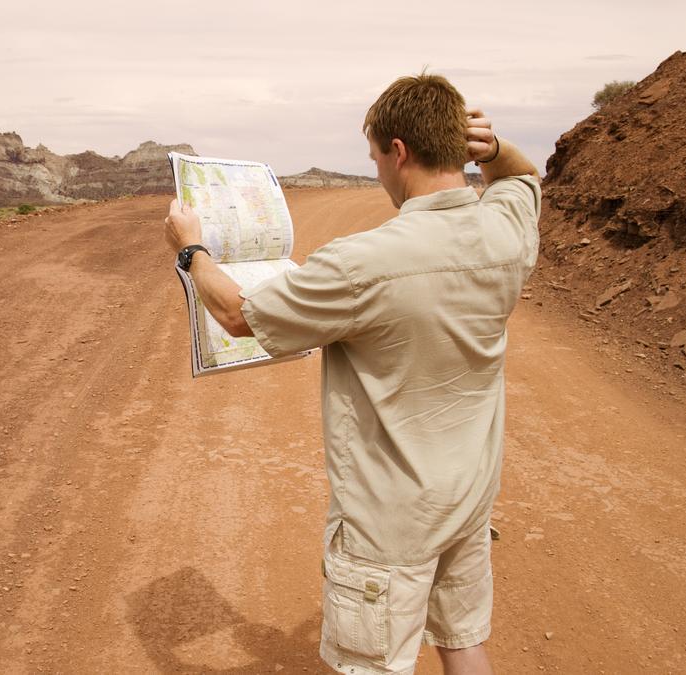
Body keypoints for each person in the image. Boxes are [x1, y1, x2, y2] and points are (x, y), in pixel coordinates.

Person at [163, 73, 540, 675]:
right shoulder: (505, 231)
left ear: (398, 151)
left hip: (389, 521)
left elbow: (237, 315)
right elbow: (521, 178)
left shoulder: (363, 262)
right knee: (463, 640)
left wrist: (192, 251)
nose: (378, 173)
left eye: (374, 158)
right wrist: (493, 151)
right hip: (469, 500)